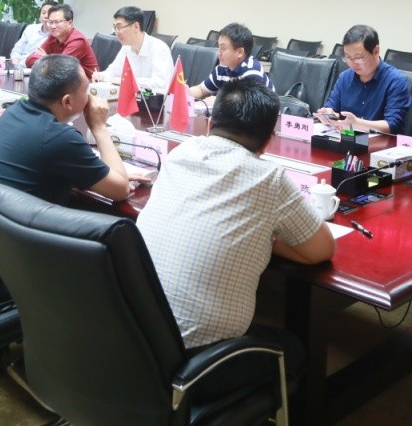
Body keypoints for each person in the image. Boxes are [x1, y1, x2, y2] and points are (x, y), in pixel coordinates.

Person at [137, 78, 335, 396]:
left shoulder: (180, 153)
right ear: (269, 141)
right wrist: (263, 235)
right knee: (293, 349)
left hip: (136, 336)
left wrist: (254, 232)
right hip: (192, 366)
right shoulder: (269, 178)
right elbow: (321, 249)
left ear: (211, 123)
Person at [0, 54, 144, 258]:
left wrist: (97, 173)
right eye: (86, 90)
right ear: (67, 101)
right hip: (5, 261)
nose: (90, 97)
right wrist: (99, 126)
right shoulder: (58, 137)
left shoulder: (13, 112)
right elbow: (120, 190)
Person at [316, 24, 411, 134]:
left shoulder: (395, 81)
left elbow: (392, 125)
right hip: (346, 137)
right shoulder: (344, 77)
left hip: (378, 142)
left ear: (376, 51)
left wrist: (356, 123)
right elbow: (332, 108)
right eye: (348, 57)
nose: (353, 63)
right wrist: (328, 114)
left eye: (358, 58)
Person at [92, 5, 173, 93]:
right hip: (131, 97)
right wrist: (101, 76)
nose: (116, 32)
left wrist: (125, 81)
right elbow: (113, 71)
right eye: (115, 28)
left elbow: (160, 84)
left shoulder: (159, 48)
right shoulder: (126, 47)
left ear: (136, 27)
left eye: (119, 27)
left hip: (152, 100)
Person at [187, 21, 273, 100]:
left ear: (240, 52)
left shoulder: (252, 72)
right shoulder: (222, 68)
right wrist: (186, 91)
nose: (218, 52)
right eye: (218, 47)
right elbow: (201, 90)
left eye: (223, 48)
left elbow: (247, 105)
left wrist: (217, 101)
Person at [24, 3, 98, 76]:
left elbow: (60, 68)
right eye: (50, 22)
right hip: (62, 79)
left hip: (87, 81)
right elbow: (29, 60)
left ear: (70, 23)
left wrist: (46, 59)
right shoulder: (53, 37)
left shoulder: (78, 40)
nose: (53, 26)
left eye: (57, 22)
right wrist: (49, 61)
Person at [8, 2, 53, 66]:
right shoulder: (31, 28)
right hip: (20, 66)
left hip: (39, 68)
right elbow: (17, 50)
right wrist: (16, 66)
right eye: (43, 13)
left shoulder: (56, 35)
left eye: (49, 13)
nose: (45, 16)